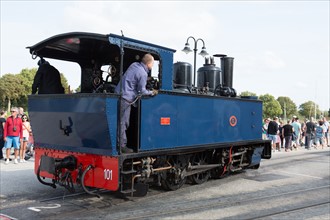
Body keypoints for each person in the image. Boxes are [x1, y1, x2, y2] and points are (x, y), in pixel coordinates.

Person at [115, 53, 158, 153]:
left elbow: (133, 77)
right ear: (149, 64)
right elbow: (142, 91)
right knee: (123, 122)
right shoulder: (143, 73)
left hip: (119, 94)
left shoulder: (134, 65)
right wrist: (152, 92)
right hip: (126, 98)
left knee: (121, 121)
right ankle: (122, 146)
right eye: (152, 64)